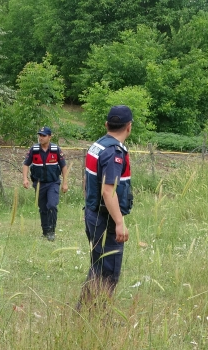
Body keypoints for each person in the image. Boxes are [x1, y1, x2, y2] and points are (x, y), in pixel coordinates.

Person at [78, 105, 134, 310]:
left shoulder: (98, 145)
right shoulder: (113, 152)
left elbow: (87, 181)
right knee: (107, 271)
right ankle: (98, 317)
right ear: (129, 127)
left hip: (93, 214)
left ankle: (84, 313)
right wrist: (119, 222)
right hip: (105, 220)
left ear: (106, 125)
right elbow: (108, 191)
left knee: (97, 267)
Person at [22, 126, 69, 241]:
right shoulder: (34, 149)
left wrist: (65, 183)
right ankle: (45, 231)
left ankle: (52, 231)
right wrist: (25, 178)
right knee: (43, 208)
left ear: (50, 137)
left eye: (43, 135)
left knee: (52, 206)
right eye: (40, 135)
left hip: (53, 183)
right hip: (39, 184)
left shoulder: (56, 150)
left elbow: (63, 166)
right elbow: (26, 164)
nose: (41, 138)